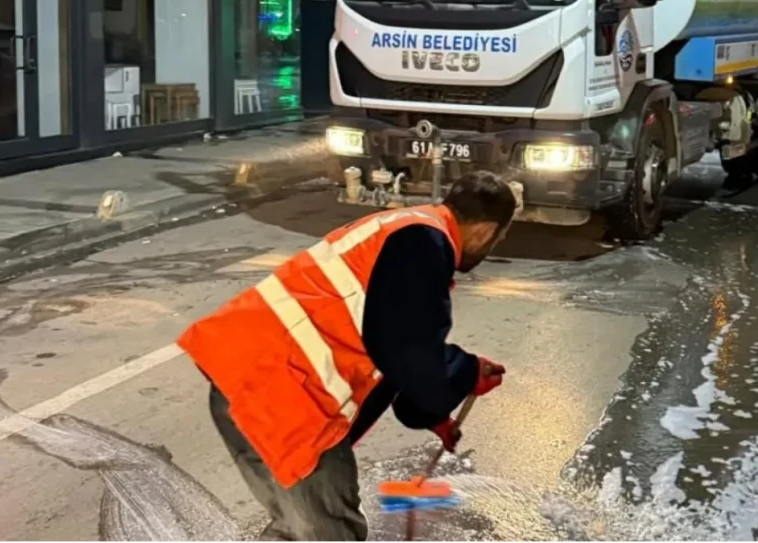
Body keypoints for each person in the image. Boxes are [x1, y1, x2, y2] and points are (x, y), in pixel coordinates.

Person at [176, 171, 518, 541]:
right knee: (330, 532)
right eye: (498, 239)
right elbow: (408, 351)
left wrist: (432, 414)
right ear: (485, 231)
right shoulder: (424, 242)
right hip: (287, 400)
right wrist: (466, 373)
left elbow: (388, 352)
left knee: (296, 528)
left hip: (238, 383)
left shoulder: (402, 226)